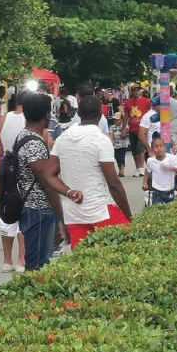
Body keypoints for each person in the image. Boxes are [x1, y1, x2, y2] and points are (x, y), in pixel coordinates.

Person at [49, 95, 133, 247]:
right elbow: (113, 183)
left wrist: (68, 192)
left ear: (78, 114)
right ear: (101, 115)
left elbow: (49, 175)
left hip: (74, 212)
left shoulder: (62, 138)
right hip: (102, 209)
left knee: (83, 262)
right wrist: (129, 216)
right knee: (124, 251)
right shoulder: (100, 140)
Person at [12, 93, 59, 271]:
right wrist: (60, 213)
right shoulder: (34, 143)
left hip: (30, 206)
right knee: (38, 266)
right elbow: (46, 181)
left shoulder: (24, 135)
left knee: (38, 263)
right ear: (47, 115)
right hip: (38, 209)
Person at [0, 92, 27, 271]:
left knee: (7, 214)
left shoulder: (2, 120)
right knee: (24, 214)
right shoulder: (32, 119)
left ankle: (7, 260)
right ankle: (22, 260)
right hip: (25, 171)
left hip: (6, 171)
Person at [143, 138, 177, 204]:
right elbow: (147, 171)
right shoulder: (150, 161)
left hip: (170, 190)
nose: (159, 148)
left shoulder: (172, 158)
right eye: (156, 147)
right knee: (156, 210)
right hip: (156, 191)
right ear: (152, 150)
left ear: (165, 148)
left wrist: (171, 168)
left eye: (161, 146)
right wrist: (144, 182)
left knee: (169, 210)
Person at [124, 85, 152, 176]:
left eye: (137, 90)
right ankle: (137, 168)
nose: (136, 92)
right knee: (134, 150)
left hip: (142, 128)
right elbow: (126, 116)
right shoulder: (128, 102)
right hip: (132, 128)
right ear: (131, 92)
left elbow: (150, 114)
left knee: (140, 149)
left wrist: (149, 126)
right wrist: (123, 128)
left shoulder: (146, 101)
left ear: (140, 91)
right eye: (134, 91)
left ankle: (141, 168)